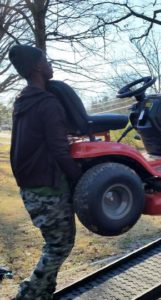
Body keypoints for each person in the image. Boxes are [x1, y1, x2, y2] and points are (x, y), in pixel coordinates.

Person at [9, 44, 82, 299]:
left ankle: (44, 293)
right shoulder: (47, 103)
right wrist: (79, 179)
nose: (51, 65)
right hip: (48, 187)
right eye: (47, 60)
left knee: (55, 243)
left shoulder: (23, 100)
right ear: (39, 67)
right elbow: (60, 151)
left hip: (30, 186)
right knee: (59, 245)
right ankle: (30, 294)